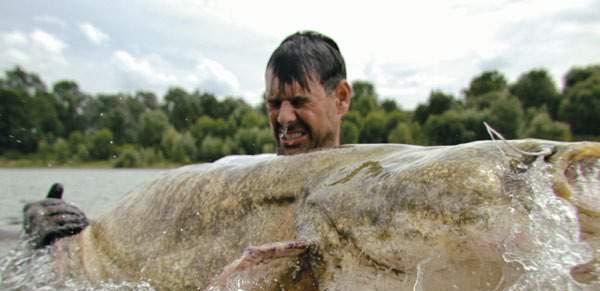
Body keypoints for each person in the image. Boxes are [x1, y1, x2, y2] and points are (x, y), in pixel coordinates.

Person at [22, 31, 352, 248]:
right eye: (273, 103)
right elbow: (146, 242)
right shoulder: (230, 180)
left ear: (341, 98)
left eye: (298, 102)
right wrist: (68, 234)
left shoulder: (368, 194)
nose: (283, 118)